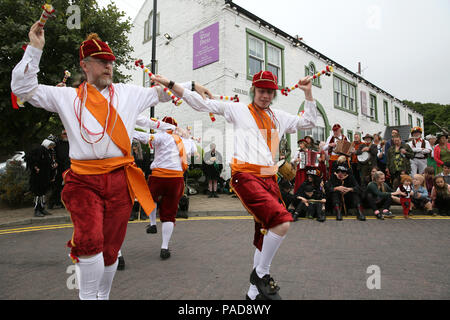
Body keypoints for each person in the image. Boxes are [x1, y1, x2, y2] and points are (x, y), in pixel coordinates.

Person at [11, 22, 209, 300]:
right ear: (85, 65)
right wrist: (35, 48)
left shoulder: (129, 93)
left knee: (111, 249)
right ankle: (87, 296)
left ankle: (101, 296)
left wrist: (191, 85)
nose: (108, 66)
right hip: (83, 181)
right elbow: (23, 87)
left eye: (111, 62)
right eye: (102, 62)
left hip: (120, 180)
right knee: (90, 242)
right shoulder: (66, 97)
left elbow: (164, 93)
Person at [150, 70, 317, 300]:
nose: (265, 96)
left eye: (269, 92)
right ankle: (261, 275)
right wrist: (171, 83)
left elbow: (308, 122)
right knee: (282, 221)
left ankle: (252, 294)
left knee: (264, 234)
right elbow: (201, 104)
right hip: (245, 176)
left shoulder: (280, 117)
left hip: (269, 179)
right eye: (261, 90)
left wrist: (308, 93)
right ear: (253, 90)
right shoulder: (238, 109)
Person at [134, 116, 198, 259]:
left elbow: (143, 137)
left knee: (150, 199)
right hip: (176, 179)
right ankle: (164, 247)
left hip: (159, 176)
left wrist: (127, 128)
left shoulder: (160, 136)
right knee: (169, 213)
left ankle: (152, 224)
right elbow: (193, 152)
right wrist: (188, 138)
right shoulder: (185, 141)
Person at [25, 138, 55, 217]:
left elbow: (47, 163)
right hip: (38, 177)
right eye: (50, 145)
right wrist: (35, 167)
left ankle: (42, 208)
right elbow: (29, 157)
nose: (51, 146)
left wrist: (52, 166)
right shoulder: (39, 150)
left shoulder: (48, 152)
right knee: (38, 193)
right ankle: (37, 210)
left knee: (42, 193)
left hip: (44, 176)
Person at [48, 130, 70, 209]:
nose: (66, 135)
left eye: (67, 134)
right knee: (57, 186)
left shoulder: (71, 143)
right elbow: (53, 154)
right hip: (59, 167)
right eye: (64, 134)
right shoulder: (57, 144)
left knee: (67, 186)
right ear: (61, 135)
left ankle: (62, 202)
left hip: (68, 168)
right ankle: (52, 202)